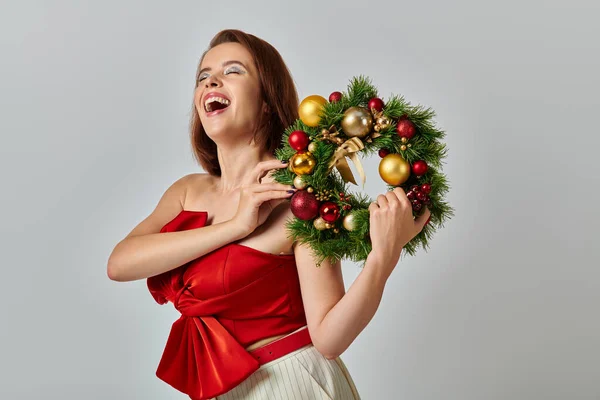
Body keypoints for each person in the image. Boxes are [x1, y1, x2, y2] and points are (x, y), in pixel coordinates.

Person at [107, 29, 431, 400]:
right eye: (203, 76)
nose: (211, 80)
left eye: (233, 71)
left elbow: (329, 338)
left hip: (290, 382)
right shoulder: (186, 191)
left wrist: (382, 259)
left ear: (266, 101)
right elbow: (119, 264)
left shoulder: (301, 196)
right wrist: (235, 226)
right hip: (221, 390)